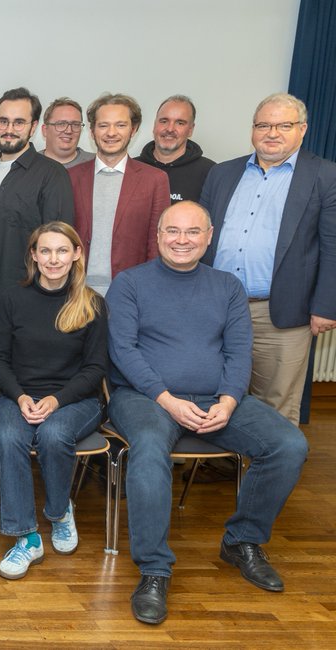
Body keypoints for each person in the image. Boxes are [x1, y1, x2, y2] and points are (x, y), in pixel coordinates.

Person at [107, 201, 308, 625]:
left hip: (217, 398)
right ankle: (154, 570)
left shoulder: (227, 287)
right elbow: (123, 351)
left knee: (289, 445)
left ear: (209, 236)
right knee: (147, 450)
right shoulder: (129, 284)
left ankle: (242, 541)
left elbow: (238, 352)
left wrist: (229, 401)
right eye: (173, 231)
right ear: (158, 235)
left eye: (193, 232)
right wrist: (167, 399)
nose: (182, 240)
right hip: (145, 398)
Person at [201, 92, 336, 425]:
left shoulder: (324, 176)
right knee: (214, 391)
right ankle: (224, 465)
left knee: (275, 402)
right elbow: (200, 238)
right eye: (264, 124)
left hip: (282, 311)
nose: (272, 133)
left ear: (302, 129)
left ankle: (269, 473)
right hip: (218, 307)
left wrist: (326, 306)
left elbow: (333, 245)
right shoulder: (222, 173)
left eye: (283, 125)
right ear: (252, 129)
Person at [0, 221, 107, 580]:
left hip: (76, 399)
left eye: (61, 251)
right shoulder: (12, 298)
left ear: (76, 255)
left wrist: (56, 401)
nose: (53, 259)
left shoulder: (92, 304)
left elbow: (96, 369)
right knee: (8, 436)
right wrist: (21, 396)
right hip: (20, 395)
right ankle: (27, 537)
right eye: (45, 251)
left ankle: (59, 512)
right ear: (34, 256)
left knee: (54, 435)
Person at [0, 88, 74, 314]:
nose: (9, 130)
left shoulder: (52, 175)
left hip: (24, 295)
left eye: (19, 123)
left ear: (33, 127)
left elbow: (59, 241)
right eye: (3, 121)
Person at [69, 93, 170, 297]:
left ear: (133, 130)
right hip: (77, 292)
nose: (111, 133)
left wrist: (150, 292)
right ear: (92, 130)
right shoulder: (71, 177)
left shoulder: (155, 180)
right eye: (103, 125)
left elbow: (156, 241)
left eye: (121, 125)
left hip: (132, 293)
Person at [136, 95, 216, 203]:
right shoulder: (131, 168)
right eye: (164, 121)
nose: (170, 129)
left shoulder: (211, 173)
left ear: (190, 130)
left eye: (180, 123)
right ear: (154, 125)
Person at [40, 98, 94, 168]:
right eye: (61, 124)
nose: (69, 131)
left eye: (75, 124)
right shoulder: (29, 165)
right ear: (45, 130)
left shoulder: (96, 164)